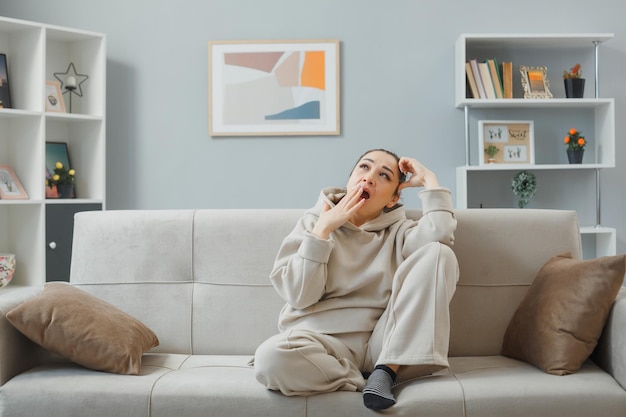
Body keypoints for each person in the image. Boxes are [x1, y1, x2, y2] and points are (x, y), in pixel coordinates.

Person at [254, 149, 459, 410]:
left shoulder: (401, 231)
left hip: (383, 344)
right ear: (350, 178)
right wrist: (322, 232)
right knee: (270, 359)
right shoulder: (313, 223)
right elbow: (299, 295)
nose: (370, 178)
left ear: (392, 198)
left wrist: (430, 179)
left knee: (440, 253)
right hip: (322, 343)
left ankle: (385, 371)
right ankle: (370, 381)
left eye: (384, 175)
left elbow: (440, 236)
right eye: (364, 167)